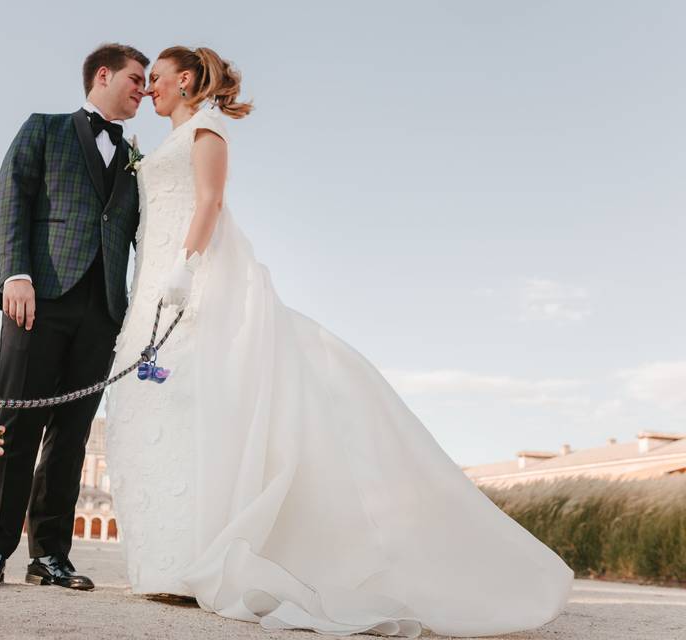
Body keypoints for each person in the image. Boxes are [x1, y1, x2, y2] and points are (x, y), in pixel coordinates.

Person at [103, 45, 573, 637]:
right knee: (160, 410)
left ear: (187, 79)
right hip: (152, 283)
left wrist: (186, 266)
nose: (151, 90)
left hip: (190, 280)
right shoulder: (161, 142)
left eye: (160, 80)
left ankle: (194, 559)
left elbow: (210, 202)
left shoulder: (206, 130)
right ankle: (161, 562)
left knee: (204, 408)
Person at [0, 43, 147, 591]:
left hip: (103, 312)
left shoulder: (134, 158)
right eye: (137, 79)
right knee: (16, 423)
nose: (145, 89)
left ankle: (50, 556)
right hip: (38, 297)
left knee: (72, 436)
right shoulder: (43, 128)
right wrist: (15, 273)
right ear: (103, 74)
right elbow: (12, 199)